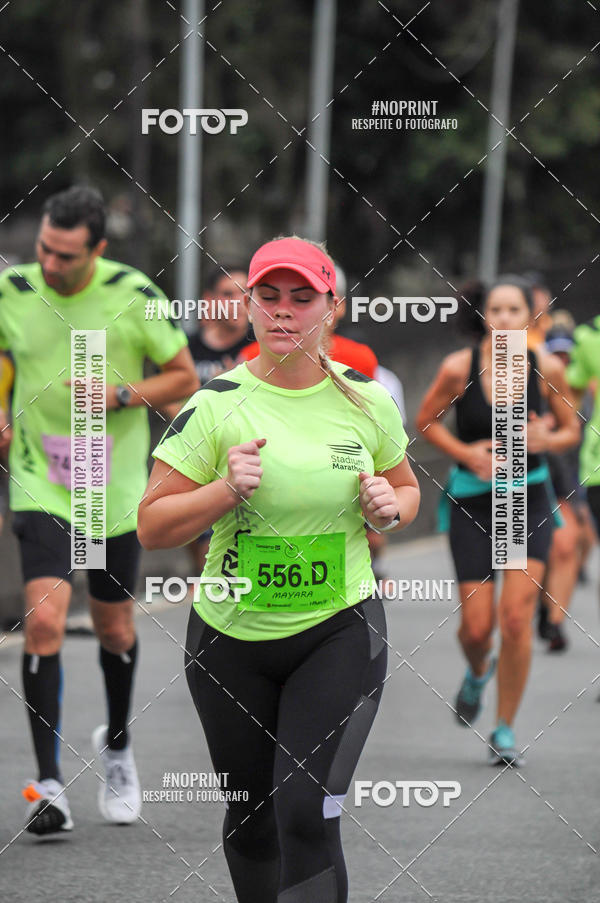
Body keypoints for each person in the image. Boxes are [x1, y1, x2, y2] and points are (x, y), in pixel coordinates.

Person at [138, 236, 420, 903]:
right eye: (268, 297)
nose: (284, 312)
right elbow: (152, 522)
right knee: (254, 815)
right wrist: (223, 491)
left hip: (339, 630)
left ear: (333, 307)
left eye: (302, 298)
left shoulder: (366, 402)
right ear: (249, 306)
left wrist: (391, 505)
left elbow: (405, 491)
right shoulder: (215, 404)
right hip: (228, 640)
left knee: (305, 811)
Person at [0, 186, 198, 835]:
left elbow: (183, 376)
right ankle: (48, 785)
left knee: (115, 629)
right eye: (44, 250)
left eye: (66, 256)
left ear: (98, 249)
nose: (51, 266)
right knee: (46, 624)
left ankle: (117, 745)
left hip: (109, 488)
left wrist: (119, 390)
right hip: (40, 480)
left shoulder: (132, 292)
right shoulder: (15, 290)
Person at [417, 277, 579, 765]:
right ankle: (475, 671)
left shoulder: (545, 367)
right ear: (484, 315)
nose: (505, 317)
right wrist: (465, 450)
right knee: (476, 628)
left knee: (514, 620)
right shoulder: (458, 368)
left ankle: (505, 729)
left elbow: (572, 428)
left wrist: (544, 442)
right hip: (474, 504)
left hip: (526, 501)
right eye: (497, 309)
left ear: (530, 317)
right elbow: (425, 422)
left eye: (515, 309)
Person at [163, 263, 252, 579]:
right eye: (228, 294)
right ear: (209, 299)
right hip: (196, 453)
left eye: (245, 295)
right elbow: (166, 392)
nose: (237, 303)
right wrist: (196, 422)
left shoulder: (258, 348)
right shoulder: (185, 347)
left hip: (245, 453)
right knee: (202, 548)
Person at [537, 321, 595, 651]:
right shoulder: (540, 384)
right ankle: (545, 609)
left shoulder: (586, 390)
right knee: (549, 548)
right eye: (554, 352)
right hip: (539, 473)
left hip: (574, 475)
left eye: (566, 354)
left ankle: (555, 620)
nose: (560, 360)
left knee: (571, 543)